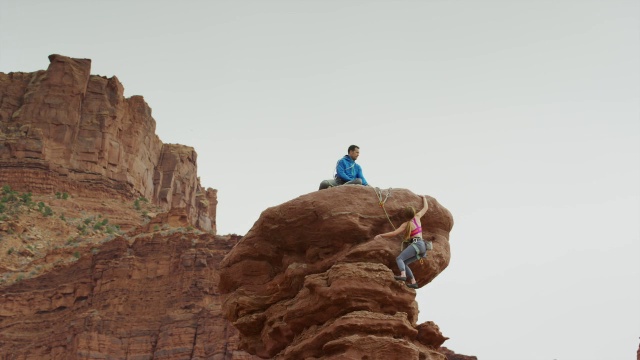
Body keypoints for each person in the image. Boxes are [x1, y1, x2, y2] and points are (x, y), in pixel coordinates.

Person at [374, 195, 431, 289]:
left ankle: (403, 275)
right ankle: (413, 282)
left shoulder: (406, 224)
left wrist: (381, 235)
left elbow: (394, 233)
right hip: (423, 247)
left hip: (417, 245)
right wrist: (424, 198)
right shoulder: (417, 217)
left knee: (399, 259)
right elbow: (426, 207)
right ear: (414, 212)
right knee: (404, 263)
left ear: (405, 216)